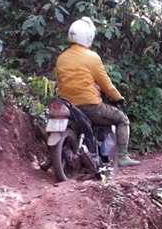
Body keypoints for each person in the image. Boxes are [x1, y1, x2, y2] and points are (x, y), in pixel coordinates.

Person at [55, 17, 140, 167]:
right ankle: (122, 157)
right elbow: (106, 84)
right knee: (122, 119)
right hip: (90, 107)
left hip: (67, 106)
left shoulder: (61, 58)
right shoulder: (92, 57)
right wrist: (118, 98)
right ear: (88, 37)